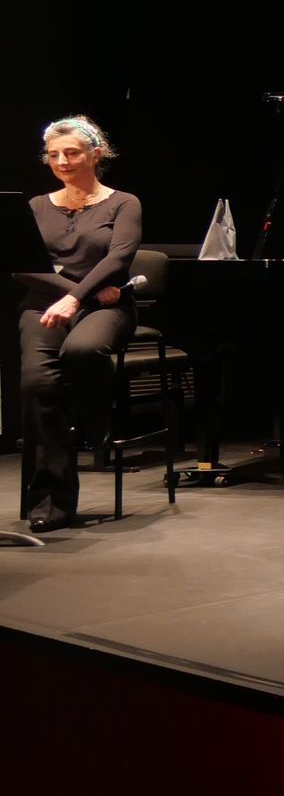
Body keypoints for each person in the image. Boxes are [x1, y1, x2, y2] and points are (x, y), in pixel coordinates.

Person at [18, 116, 141, 533]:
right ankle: (51, 502)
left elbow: (118, 260)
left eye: (71, 153)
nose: (62, 161)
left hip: (107, 308)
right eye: (53, 155)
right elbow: (21, 267)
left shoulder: (123, 202)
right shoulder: (36, 206)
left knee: (84, 351)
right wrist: (84, 291)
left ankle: (95, 425)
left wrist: (77, 298)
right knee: (38, 385)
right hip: (46, 306)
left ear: (95, 154)